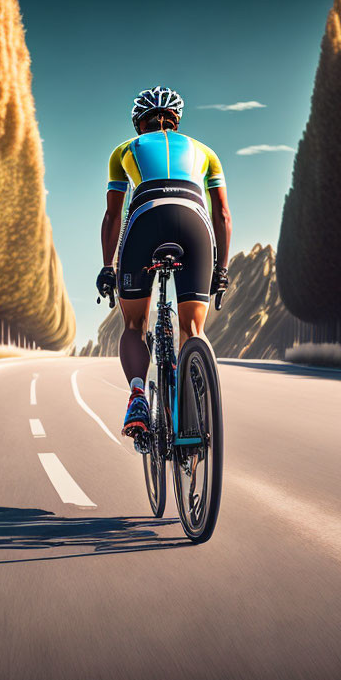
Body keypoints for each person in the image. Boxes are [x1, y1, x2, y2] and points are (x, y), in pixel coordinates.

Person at [95, 86, 232, 439]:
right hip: (195, 225)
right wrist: (221, 270)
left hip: (145, 219)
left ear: (139, 124)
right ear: (177, 120)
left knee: (135, 324)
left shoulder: (124, 150)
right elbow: (223, 217)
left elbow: (112, 216)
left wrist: (108, 268)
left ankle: (138, 394)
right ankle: (194, 400)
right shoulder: (206, 152)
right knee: (193, 329)